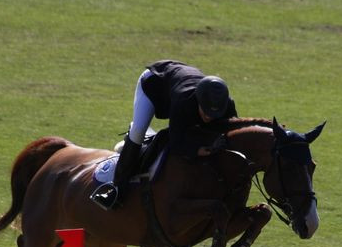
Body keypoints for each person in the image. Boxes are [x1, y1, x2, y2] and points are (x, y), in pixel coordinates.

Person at [91, 59, 238, 210]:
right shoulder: (184, 100)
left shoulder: (226, 105)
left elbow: (233, 135)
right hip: (154, 85)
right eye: (205, 111)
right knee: (138, 131)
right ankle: (116, 188)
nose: (209, 117)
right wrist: (198, 150)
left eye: (214, 114)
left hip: (177, 81)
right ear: (198, 100)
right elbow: (176, 141)